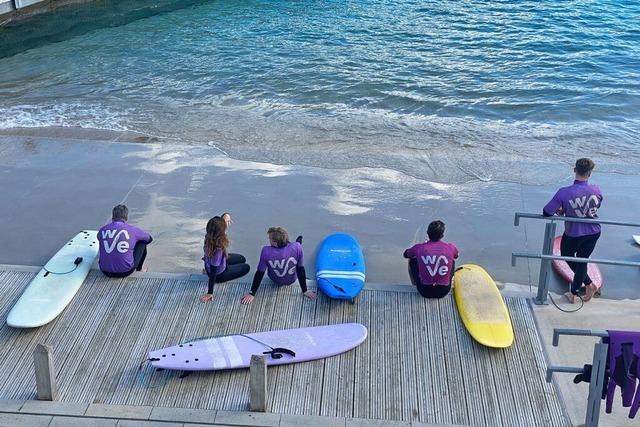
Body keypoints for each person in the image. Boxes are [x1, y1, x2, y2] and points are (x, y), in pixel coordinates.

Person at [543, 158, 603, 304]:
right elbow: (593, 208)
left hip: (574, 234)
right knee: (582, 261)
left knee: (568, 256)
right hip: (594, 232)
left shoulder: (564, 192)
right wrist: (570, 210)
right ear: (590, 173)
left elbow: (546, 212)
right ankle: (585, 287)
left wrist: (563, 210)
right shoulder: (596, 190)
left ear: (574, 170)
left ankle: (578, 291)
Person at [241, 227, 316, 304]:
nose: (269, 240)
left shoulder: (266, 251)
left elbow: (260, 273)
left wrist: (252, 293)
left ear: (275, 243)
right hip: (292, 280)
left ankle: (295, 244)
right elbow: (300, 270)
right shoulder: (298, 247)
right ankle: (296, 243)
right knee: (297, 245)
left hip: (275, 280)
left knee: (295, 246)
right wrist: (305, 290)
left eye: (269, 239)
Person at [403, 220, 458, 298]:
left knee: (412, 259)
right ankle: (448, 279)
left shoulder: (419, 248)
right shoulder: (450, 247)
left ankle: (416, 282)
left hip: (424, 291)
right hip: (444, 291)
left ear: (427, 233)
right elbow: (456, 255)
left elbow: (405, 255)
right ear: (442, 235)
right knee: (452, 259)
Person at [200, 215, 250, 302]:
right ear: (220, 232)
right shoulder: (218, 249)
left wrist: (225, 216)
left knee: (242, 258)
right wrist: (210, 293)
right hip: (218, 275)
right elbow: (213, 271)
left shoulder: (209, 236)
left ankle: (207, 270)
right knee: (246, 267)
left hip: (215, 264)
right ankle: (214, 275)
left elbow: (218, 224)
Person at [98, 204, 153, 277]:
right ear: (126, 217)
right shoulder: (132, 230)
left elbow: (99, 238)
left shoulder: (102, 230)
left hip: (104, 271)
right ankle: (140, 269)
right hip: (126, 271)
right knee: (142, 242)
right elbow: (149, 239)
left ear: (112, 217)